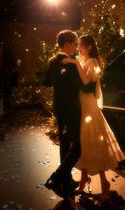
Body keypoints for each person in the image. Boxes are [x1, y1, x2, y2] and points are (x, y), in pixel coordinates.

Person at [62, 35, 125, 198]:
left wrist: (75, 62)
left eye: (81, 46)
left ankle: (104, 183)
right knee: (82, 143)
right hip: (80, 106)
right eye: (79, 46)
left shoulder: (93, 63)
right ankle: (84, 180)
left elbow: (85, 83)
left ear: (89, 47)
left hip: (89, 107)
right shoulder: (82, 60)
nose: (79, 48)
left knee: (94, 143)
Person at [43, 30, 82, 199]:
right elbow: (81, 85)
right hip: (71, 110)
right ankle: (57, 176)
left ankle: (66, 180)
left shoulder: (52, 61)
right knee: (79, 146)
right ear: (67, 44)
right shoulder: (72, 62)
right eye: (74, 43)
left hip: (59, 108)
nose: (76, 47)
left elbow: (46, 82)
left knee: (65, 144)